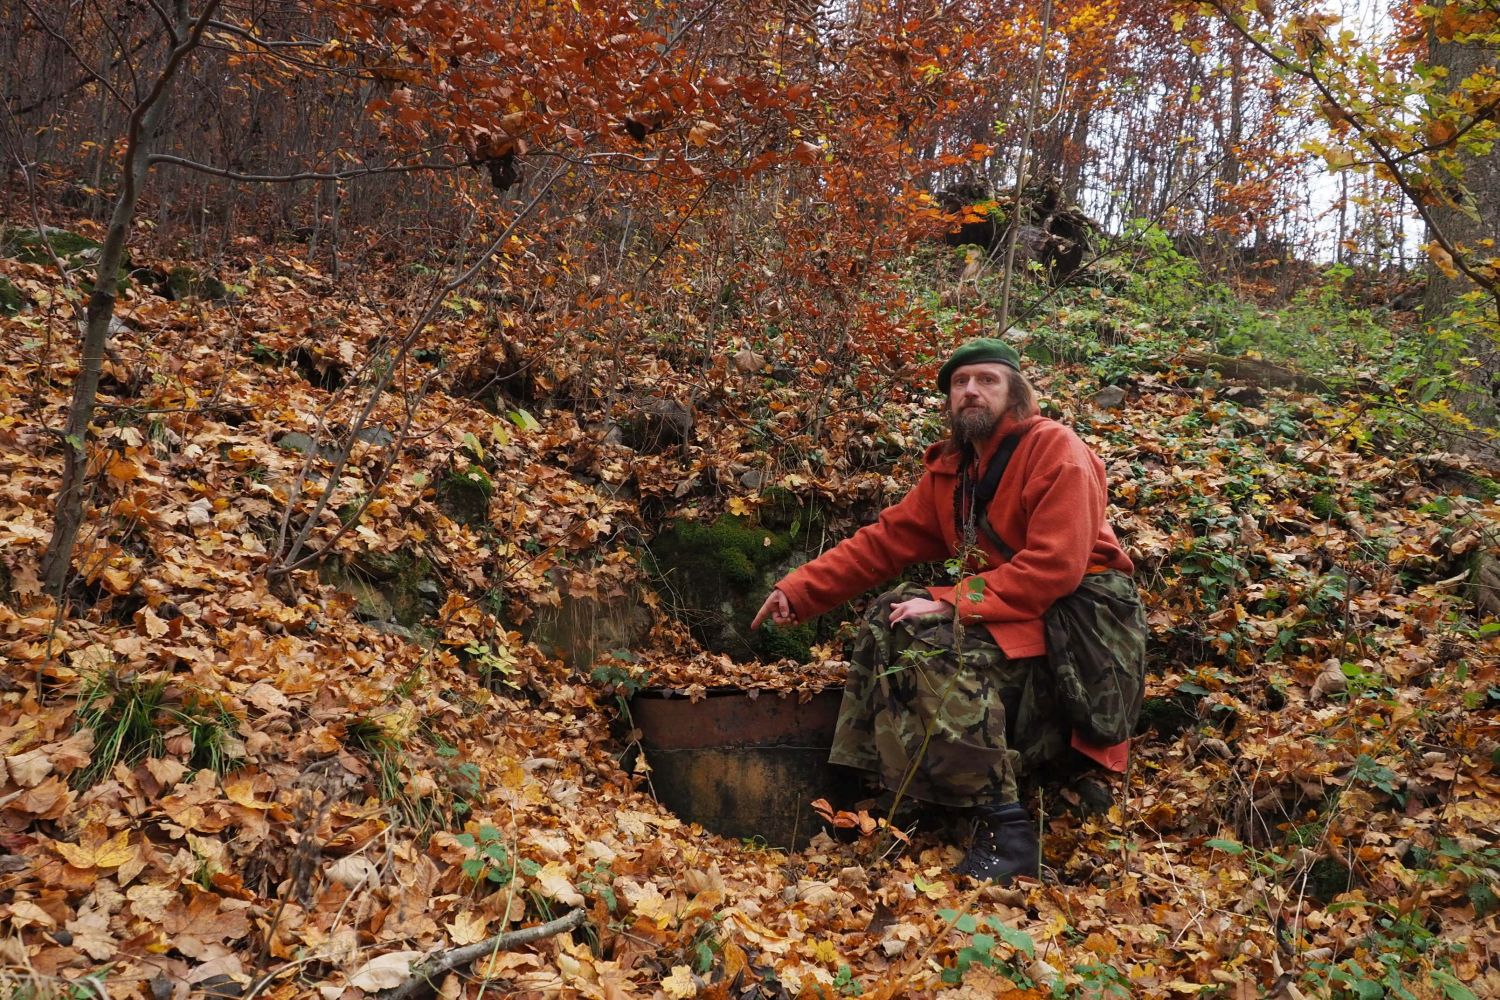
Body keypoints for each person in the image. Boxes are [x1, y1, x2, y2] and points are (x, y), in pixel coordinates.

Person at [751, 337, 1142, 882]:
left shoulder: (1057, 450)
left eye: (986, 380)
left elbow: (1056, 569)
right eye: (960, 384)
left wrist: (950, 602)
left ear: (1016, 393)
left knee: (936, 646)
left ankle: (1006, 833)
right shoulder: (954, 473)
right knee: (889, 613)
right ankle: (886, 789)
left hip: (1083, 624)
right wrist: (800, 588)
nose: (971, 391)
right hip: (1021, 605)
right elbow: (885, 542)